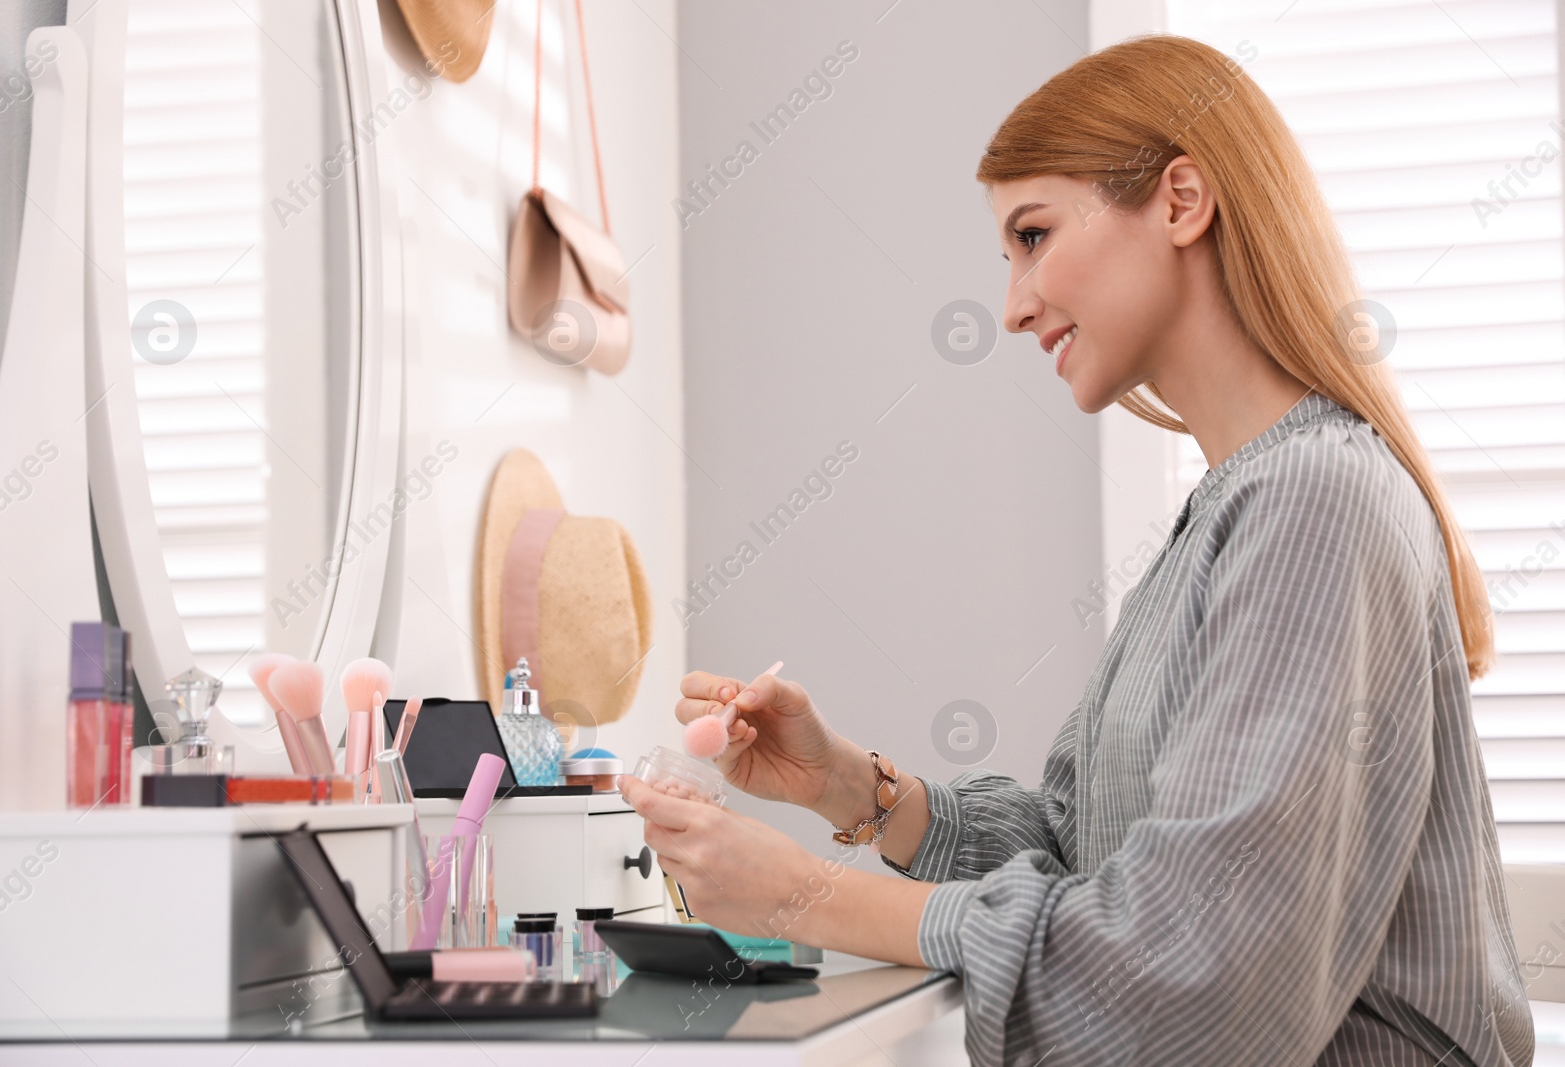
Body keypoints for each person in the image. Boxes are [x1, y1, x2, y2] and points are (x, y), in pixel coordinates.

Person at [619, 34, 1533, 1067]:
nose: (1011, 306)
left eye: (1033, 233)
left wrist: (804, 892)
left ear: (1183, 201)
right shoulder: (1235, 507)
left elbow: (1194, 973)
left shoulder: (1312, 503)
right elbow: (1097, 860)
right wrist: (853, 788)